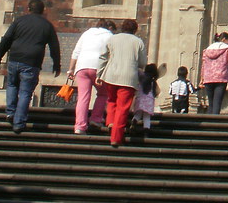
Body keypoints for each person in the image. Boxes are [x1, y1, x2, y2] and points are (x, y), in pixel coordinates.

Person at [0, 0, 61, 134]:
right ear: (43, 11)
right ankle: (19, 122)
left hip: (15, 58)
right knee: (25, 92)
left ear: (28, 9)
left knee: (12, 85)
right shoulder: (47, 25)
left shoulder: (19, 21)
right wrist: (56, 64)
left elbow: (6, 39)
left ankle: (11, 113)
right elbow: (54, 46)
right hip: (32, 62)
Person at [97, 18, 146, 147]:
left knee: (112, 100)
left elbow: (103, 56)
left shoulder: (112, 39)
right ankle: (116, 137)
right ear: (134, 30)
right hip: (128, 78)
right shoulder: (138, 42)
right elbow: (142, 63)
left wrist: (99, 73)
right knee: (123, 108)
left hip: (111, 75)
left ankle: (110, 122)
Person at [66, 18, 116, 134]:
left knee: (83, 97)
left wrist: (70, 70)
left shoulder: (86, 33)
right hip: (98, 68)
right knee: (104, 94)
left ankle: (80, 126)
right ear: (108, 28)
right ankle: (96, 119)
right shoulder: (109, 36)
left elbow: (76, 52)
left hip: (82, 67)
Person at [200, 32, 228, 115]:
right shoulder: (227, 49)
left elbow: (204, 65)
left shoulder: (207, 50)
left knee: (211, 103)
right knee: (217, 102)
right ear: (224, 39)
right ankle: (215, 123)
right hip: (221, 77)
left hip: (208, 78)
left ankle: (208, 123)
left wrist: (202, 78)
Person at [132, 62, 159, 132]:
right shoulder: (153, 82)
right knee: (146, 117)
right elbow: (156, 92)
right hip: (149, 101)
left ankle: (134, 122)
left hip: (140, 99)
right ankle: (146, 130)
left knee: (138, 114)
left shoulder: (141, 80)